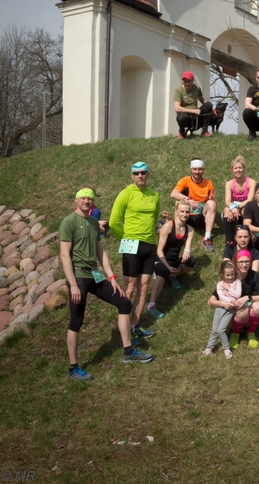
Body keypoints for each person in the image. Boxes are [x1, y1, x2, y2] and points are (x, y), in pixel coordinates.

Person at [61, 188, 153, 379]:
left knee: (124, 303)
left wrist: (111, 278)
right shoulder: (69, 222)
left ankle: (129, 352)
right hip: (78, 275)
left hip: (94, 274)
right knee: (76, 321)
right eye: (83, 198)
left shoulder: (93, 223)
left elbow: (101, 253)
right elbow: (64, 255)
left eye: (90, 199)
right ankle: (73, 367)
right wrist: (73, 285)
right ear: (76, 200)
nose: (86, 201)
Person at [109, 161, 161, 343]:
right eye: (137, 173)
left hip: (150, 245)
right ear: (132, 175)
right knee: (130, 288)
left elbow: (155, 217)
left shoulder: (154, 194)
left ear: (148, 174)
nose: (140, 175)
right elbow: (113, 222)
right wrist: (125, 239)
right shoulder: (125, 194)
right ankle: (124, 329)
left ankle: (134, 325)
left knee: (144, 287)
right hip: (131, 245)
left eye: (143, 172)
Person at [147, 200, 196, 319]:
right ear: (176, 212)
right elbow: (159, 251)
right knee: (163, 270)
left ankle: (173, 275)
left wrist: (187, 251)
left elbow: (187, 247)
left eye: (187, 212)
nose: (185, 214)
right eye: (182, 211)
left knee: (191, 261)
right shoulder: (168, 226)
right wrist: (168, 267)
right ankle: (151, 305)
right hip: (160, 259)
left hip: (173, 260)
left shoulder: (190, 229)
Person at [211, 249, 259, 350]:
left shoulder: (255, 275)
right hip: (234, 312)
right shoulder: (229, 276)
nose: (244, 264)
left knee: (258, 306)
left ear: (251, 262)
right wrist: (223, 304)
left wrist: (248, 297)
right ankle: (235, 334)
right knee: (243, 311)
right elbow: (211, 301)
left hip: (247, 306)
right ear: (235, 263)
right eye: (241, 262)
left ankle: (251, 333)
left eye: (247, 261)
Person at [170, 159, 217, 252]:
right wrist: (189, 200)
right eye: (195, 169)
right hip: (186, 215)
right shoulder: (185, 180)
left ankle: (207, 238)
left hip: (201, 216)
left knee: (212, 204)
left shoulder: (208, 183)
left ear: (203, 170)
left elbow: (212, 205)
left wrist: (213, 201)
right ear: (191, 170)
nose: (197, 172)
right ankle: (177, 233)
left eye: (200, 169)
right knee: (178, 202)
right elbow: (173, 194)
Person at [203, 259, 240, 359]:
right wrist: (227, 302)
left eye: (232, 274)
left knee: (221, 330)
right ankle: (209, 347)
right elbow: (220, 296)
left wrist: (228, 288)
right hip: (220, 308)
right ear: (222, 275)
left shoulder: (237, 282)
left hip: (230, 309)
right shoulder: (219, 284)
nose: (230, 277)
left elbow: (237, 294)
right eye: (227, 275)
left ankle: (226, 348)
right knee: (214, 330)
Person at [221, 155, 256, 249]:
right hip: (233, 207)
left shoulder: (251, 182)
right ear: (232, 170)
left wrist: (237, 207)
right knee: (226, 210)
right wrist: (232, 208)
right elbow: (227, 201)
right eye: (235, 168)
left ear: (244, 169)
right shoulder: (229, 184)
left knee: (245, 210)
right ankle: (229, 241)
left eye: (240, 168)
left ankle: (247, 237)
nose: (238, 170)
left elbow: (249, 200)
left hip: (246, 207)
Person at [173, 70, 213, 138]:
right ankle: (182, 132)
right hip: (186, 115)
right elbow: (177, 108)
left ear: (193, 80)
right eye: (185, 81)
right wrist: (194, 111)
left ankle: (205, 131)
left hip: (196, 116)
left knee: (208, 105)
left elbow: (202, 99)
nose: (187, 84)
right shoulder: (178, 90)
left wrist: (208, 109)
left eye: (189, 81)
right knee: (181, 117)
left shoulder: (197, 88)